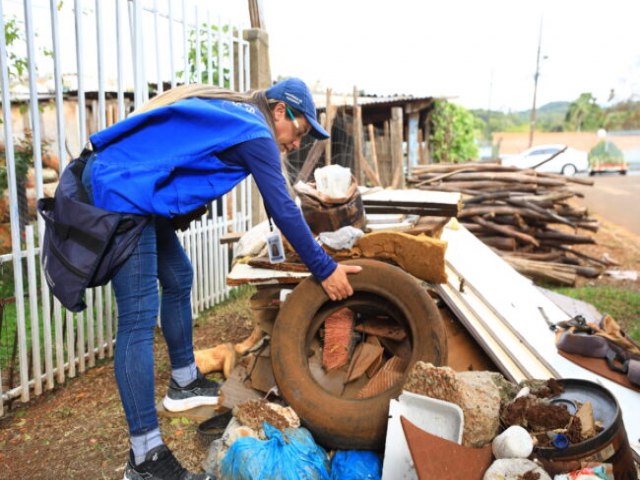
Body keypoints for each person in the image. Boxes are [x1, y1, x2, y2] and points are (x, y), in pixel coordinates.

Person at [80, 77, 362, 480]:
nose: (297, 143)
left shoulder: (246, 118)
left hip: (135, 186)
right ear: (280, 111)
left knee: (178, 274)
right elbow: (283, 209)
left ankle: (184, 382)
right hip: (122, 188)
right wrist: (325, 268)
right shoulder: (255, 130)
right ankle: (144, 460)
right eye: (299, 131)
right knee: (138, 316)